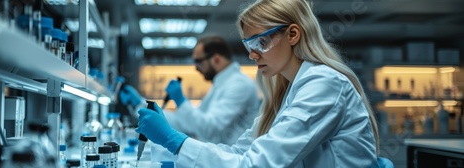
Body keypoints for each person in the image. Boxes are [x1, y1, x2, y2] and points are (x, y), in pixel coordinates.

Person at [135, 0, 382, 167]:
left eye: (260, 43)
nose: (252, 55)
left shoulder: (324, 84)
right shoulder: (286, 91)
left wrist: (174, 140)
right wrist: (172, 136)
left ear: (293, 35)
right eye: (248, 45)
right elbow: (242, 153)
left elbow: (256, 164)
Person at [119, 35, 260, 145]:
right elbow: (187, 123)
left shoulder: (240, 85)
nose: (196, 67)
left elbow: (208, 128)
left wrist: (181, 101)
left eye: (199, 61)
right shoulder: (221, 84)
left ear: (216, 59)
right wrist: (141, 105)